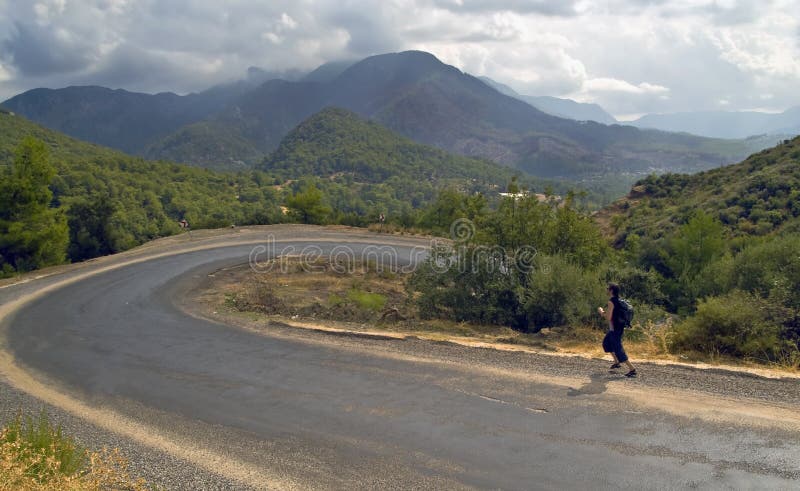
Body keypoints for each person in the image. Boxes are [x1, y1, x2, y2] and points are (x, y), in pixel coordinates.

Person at [598, 283, 637, 378]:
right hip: (617, 327)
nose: (606, 290)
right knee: (606, 343)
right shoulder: (619, 300)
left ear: (611, 290)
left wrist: (601, 312)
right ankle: (616, 362)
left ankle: (632, 369)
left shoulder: (611, 302)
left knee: (618, 348)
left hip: (615, 329)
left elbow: (608, 317)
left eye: (607, 288)